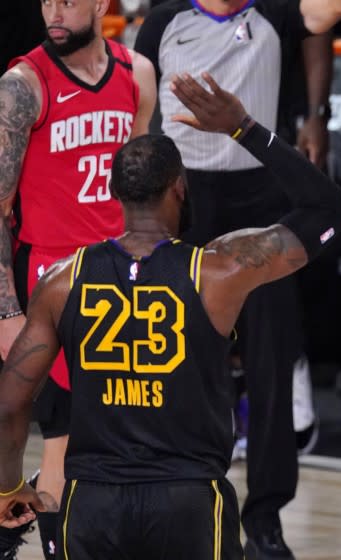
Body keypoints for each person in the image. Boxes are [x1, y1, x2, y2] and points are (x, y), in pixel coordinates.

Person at [0, 72, 341, 560]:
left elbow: (10, 404)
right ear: (180, 188)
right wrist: (244, 128)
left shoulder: (62, 280)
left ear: (114, 193)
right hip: (187, 501)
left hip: (93, 501)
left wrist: (8, 488)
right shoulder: (220, 270)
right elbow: (331, 210)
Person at [134, 1, 341, 557]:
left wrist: (315, 115)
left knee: (272, 363)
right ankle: (175, 499)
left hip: (262, 197)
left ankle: (265, 519)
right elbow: (136, 119)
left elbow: (339, 8)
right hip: (179, 204)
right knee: (176, 359)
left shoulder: (276, 13)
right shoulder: (163, 22)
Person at [0, 0, 156, 556]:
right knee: (63, 443)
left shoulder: (137, 73)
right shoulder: (22, 85)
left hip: (119, 275)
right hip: (49, 279)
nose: (55, 10)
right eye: (47, 0)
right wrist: (8, 310)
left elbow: (140, 196)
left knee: (119, 442)